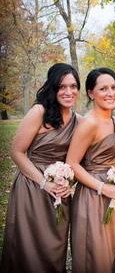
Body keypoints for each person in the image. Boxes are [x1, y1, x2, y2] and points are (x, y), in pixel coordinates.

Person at [1, 63, 80, 273]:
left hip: (60, 192)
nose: (68, 92)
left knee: (54, 247)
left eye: (73, 86)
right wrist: (44, 183)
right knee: (29, 247)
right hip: (32, 187)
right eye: (62, 87)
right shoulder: (39, 112)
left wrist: (68, 183)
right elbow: (17, 153)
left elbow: (75, 161)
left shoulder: (78, 121)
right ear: (52, 88)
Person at [66, 68, 115, 273]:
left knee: (108, 254)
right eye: (103, 88)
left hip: (111, 195)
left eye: (114, 87)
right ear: (91, 93)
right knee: (94, 256)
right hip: (91, 196)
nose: (110, 93)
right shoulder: (89, 123)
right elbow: (72, 163)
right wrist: (101, 187)